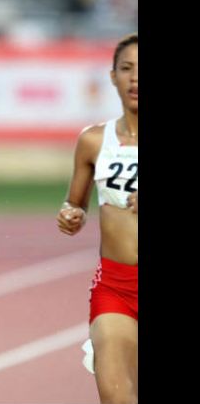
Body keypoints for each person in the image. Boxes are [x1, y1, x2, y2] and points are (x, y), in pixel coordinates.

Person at [57, 33, 138, 403]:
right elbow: (76, 204)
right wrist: (71, 215)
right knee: (115, 395)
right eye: (127, 69)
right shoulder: (93, 141)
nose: (135, 78)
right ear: (112, 77)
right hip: (116, 287)